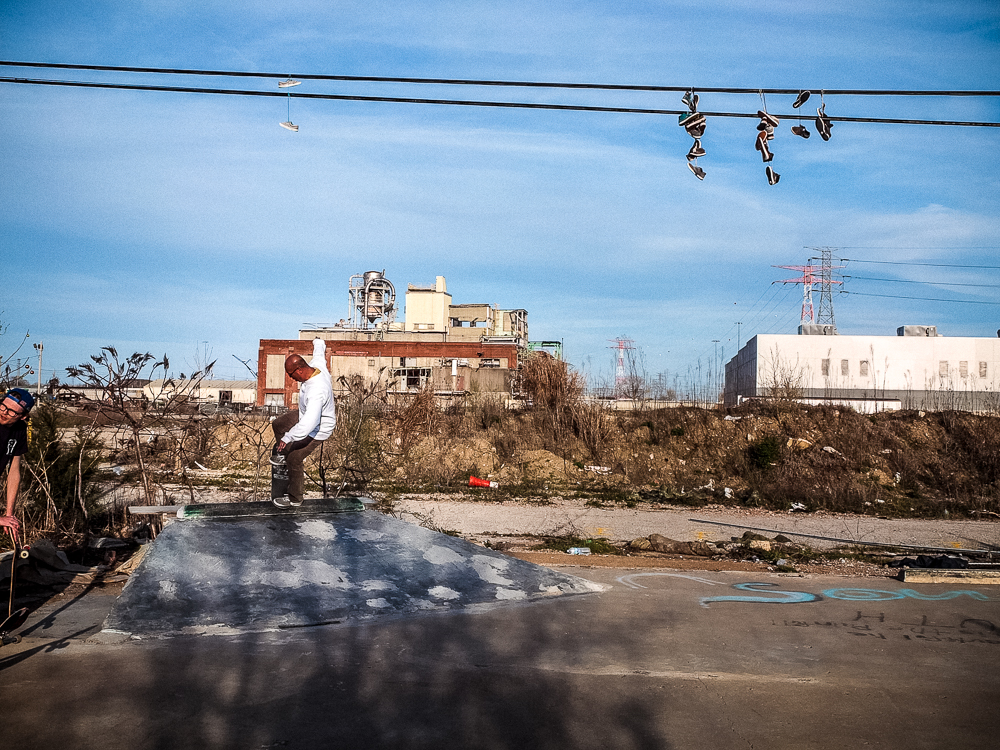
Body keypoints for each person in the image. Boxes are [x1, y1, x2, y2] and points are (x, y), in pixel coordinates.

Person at [271, 338, 336, 507]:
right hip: (306, 415)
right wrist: (318, 341)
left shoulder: (317, 390)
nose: (292, 379)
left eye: (291, 375)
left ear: (299, 370)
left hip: (319, 427)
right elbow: (319, 353)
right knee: (278, 424)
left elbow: (309, 423)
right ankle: (282, 455)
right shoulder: (317, 367)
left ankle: (295, 499)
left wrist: (288, 438)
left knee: (295, 458)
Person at [1, 388, 34, 534]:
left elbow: (14, 471)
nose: (4, 412)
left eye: (12, 412)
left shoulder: (20, 430)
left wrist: (9, 515)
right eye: (3, 406)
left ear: (23, 416)